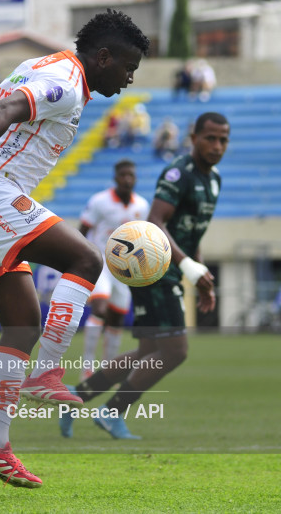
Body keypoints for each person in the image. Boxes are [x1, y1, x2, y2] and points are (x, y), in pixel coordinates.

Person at [0, 9, 150, 488]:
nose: (130, 78)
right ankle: (47, 373)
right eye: (128, 67)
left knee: (23, 323)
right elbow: (1, 111)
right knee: (87, 259)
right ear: (103, 56)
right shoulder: (65, 80)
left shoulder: (43, 65)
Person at [61, 112, 229, 441]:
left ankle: (76, 398)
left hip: (172, 271)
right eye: (210, 138)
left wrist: (199, 271)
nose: (217, 146)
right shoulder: (179, 173)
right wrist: (188, 267)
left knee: (147, 353)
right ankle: (112, 411)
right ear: (193, 137)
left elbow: (192, 233)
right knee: (175, 352)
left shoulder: (214, 179)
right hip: (156, 271)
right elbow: (156, 221)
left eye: (223, 140)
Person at [77, 159, 149, 381]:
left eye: (131, 176)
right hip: (101, 264)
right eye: (123, 175)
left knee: (118, 319)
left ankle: (108, 369)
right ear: (115, 178)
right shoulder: (100, 201)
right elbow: (83, 229)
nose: (127, 179)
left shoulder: (142, 206)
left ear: (135, 179)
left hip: (125, 270)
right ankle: (87, 367)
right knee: (100, 309)